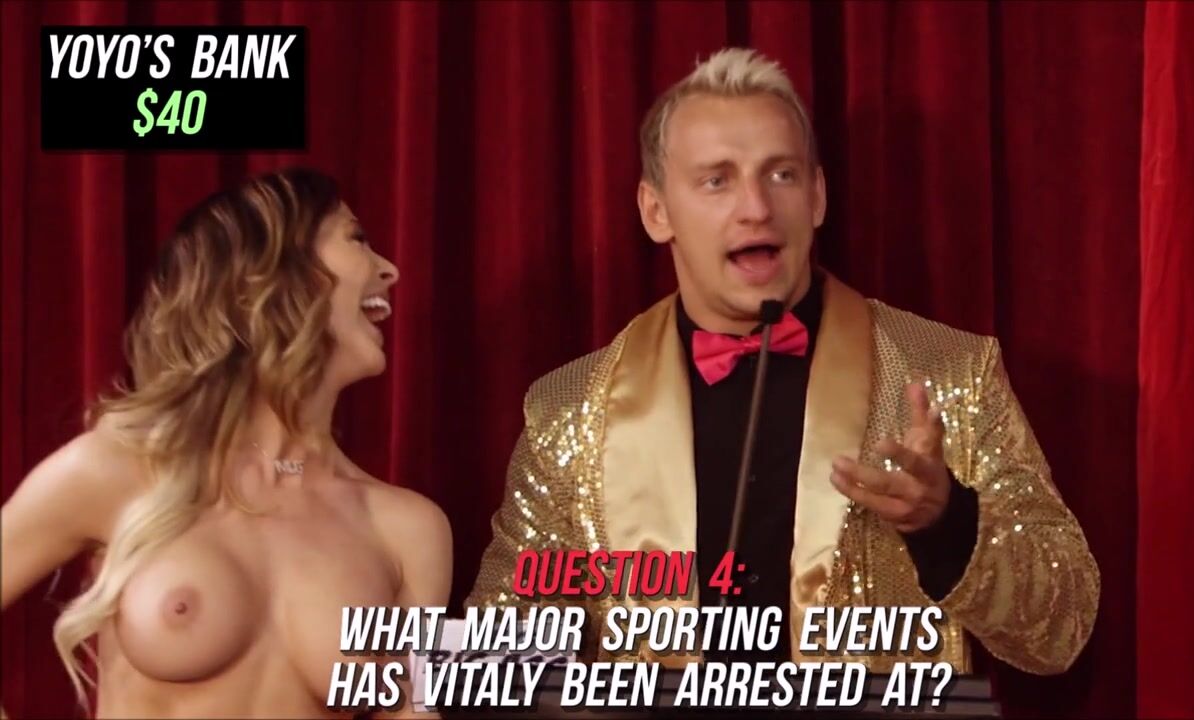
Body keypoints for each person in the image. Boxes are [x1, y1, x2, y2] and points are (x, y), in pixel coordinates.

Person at [467, 48, 1100, 676]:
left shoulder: (950, 372)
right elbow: (500, 651)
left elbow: (1063, 627)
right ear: (656, 212)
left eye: (782, 175)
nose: (756, 207)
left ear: (817, 197)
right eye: (717, 180)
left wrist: (948, 524)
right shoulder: (570, 409)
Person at [0, 168, 451, 718]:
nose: (390, 268)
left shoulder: (407, 529)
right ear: (269, 273)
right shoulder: (118, 468)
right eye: (356, 238)